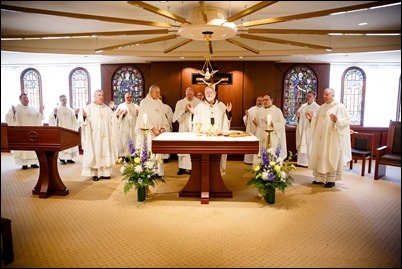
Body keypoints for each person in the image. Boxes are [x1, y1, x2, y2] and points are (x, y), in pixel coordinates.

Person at [308, 88, 351, 188]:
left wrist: (337, 120)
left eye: (327, 94)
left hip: (332, 138)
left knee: (330, 156)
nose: (324, 96)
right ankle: (320, 178)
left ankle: (331, 180)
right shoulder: (322, 107)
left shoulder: (339, 106)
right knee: (320, 156)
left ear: (333, 95)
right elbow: (317, 121)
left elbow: (347, 120)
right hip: (321, 138)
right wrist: (311, 119)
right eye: (323, 94)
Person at [192, 85, 232, 175]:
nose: (209, 94)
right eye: (207, 93)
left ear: (215, 93)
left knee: (218, 158)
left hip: (218, 137)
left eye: (211, 92)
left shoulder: (221, 105)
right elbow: (195, 124)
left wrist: (228, 113)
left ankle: (218, 175)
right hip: (204, 138)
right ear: (204, 94)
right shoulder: (199, 107)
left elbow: (226, 121)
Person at [81, 90, 118, 181]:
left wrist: (116, 116)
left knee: (105, 151)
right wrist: (84, 117)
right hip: (94, 136)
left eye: (102, 95)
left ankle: (105, 173)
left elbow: (113, 121)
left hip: (106, 136)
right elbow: (82, 121)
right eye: (99, 95)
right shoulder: (88, 108)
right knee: (95, 152)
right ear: (94, 96)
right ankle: (95, 173)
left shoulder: (107, 109)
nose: (101, 97)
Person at [135, 85, 169, 177]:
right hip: (150, 132)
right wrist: (153, 129)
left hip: (159, 133)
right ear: (151, 92)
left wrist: (163, 127)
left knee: (159, 153)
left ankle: (158, 172)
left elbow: (163, 116)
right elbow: (143, 116)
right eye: (156, 92)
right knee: (149, 151)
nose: (159, 94)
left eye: (159, 92)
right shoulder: (144, 102)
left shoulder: (159, 102)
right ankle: (149, 172)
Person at [5, 93, 45, 170]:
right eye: (24, 98)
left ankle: (33, 163)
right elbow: (9, 118)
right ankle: (24, 164)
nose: (26, 99)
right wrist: (13, 113)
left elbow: (39, 118)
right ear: (20, 99)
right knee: (24, 149)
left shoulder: (33, 109)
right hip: (22, 133)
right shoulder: (16, 108)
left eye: (27, 98)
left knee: (33, 148)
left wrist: (40, 111)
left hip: (32, 133)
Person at [173, 87, 202, 175]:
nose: (189, 96)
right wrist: (185, 110)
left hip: (195, 129)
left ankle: (191, 168)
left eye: (191, 94)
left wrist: (193, 111)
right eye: (188, 94)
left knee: (192, 148)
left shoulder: (199, 103)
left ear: (194, 94)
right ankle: (181, 167)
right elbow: (176, 116)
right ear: (185, 94)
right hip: (183, 128)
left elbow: (201, 115)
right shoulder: (180, 102)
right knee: (182, 148)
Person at [253, 94, 287, 162]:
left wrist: (273, 124)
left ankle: (273, 168)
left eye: (266, 100)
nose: (264, 101)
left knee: (272, 153)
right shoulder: (259, 111)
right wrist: (256, 124)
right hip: (261, 135)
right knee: (261, 153)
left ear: (271, 100)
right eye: (263, 100)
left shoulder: (277, 111)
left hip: (273, 137)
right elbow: (258, 123)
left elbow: (282, 123)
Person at [48, 94, 80, 165]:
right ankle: (62, 159)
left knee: (69, 144)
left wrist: (76, 114)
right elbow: (52, 119)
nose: (65, 101)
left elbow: (74, 120)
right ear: (60, 100)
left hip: (69, 129)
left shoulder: (70, 110)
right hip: (62, 130)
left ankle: (69, 158)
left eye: (65, 99)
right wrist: (55, 114)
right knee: (63, 144)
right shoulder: (57, 109)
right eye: (63, 100)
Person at [295, 91, 320, 167]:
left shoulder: (317, 107)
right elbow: (298, 115)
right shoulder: (303, 106)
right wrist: (298, 115)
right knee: (302, 144)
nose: (308, 98)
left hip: (309, 129)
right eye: (307, 96)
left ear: (314, 97)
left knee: (309, 145)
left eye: (310, 96)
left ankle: (309, 162)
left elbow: (318, 120)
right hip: (302, 129)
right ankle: (301, 162)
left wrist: (311, 118)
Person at [115, 92, 139, 159]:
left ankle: (133, 154)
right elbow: (116, 117)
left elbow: (140, 118)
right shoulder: (121, 106)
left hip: (133, 127)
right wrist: (123, 115)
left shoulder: (136, 106)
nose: (129, 98)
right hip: (124, 127)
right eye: (127, 97)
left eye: (130, 97)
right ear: (124, 98)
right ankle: (124, 156)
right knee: (125, 140)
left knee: (133, 139)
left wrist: (138, 114)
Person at [243, 96, 263, 164]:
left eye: (261, 100)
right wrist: (247, 116)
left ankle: (260, 160)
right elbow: (245, 120)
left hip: (261, 132)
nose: (260, 102)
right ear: (256, 101)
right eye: (258, 100)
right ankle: (249, 160)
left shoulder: (265, 110)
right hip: (252, 131)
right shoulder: (251, 109)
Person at [161, 94, 174, 163]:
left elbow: (172, 117)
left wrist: (167, 116)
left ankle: (166, 157)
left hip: (166, 127)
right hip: (158, 127)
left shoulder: (167, 107)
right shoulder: (152, 107)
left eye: (160, 98)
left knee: (165, 142)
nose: (159, 99)